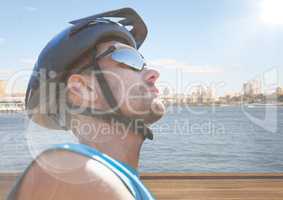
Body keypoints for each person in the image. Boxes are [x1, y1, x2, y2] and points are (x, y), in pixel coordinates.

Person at [7, 8, 165, 200]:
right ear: (83, 88)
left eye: (143, 61)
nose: (153, 73)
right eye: (129, 58)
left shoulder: (121, 182)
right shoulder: (71, 174)